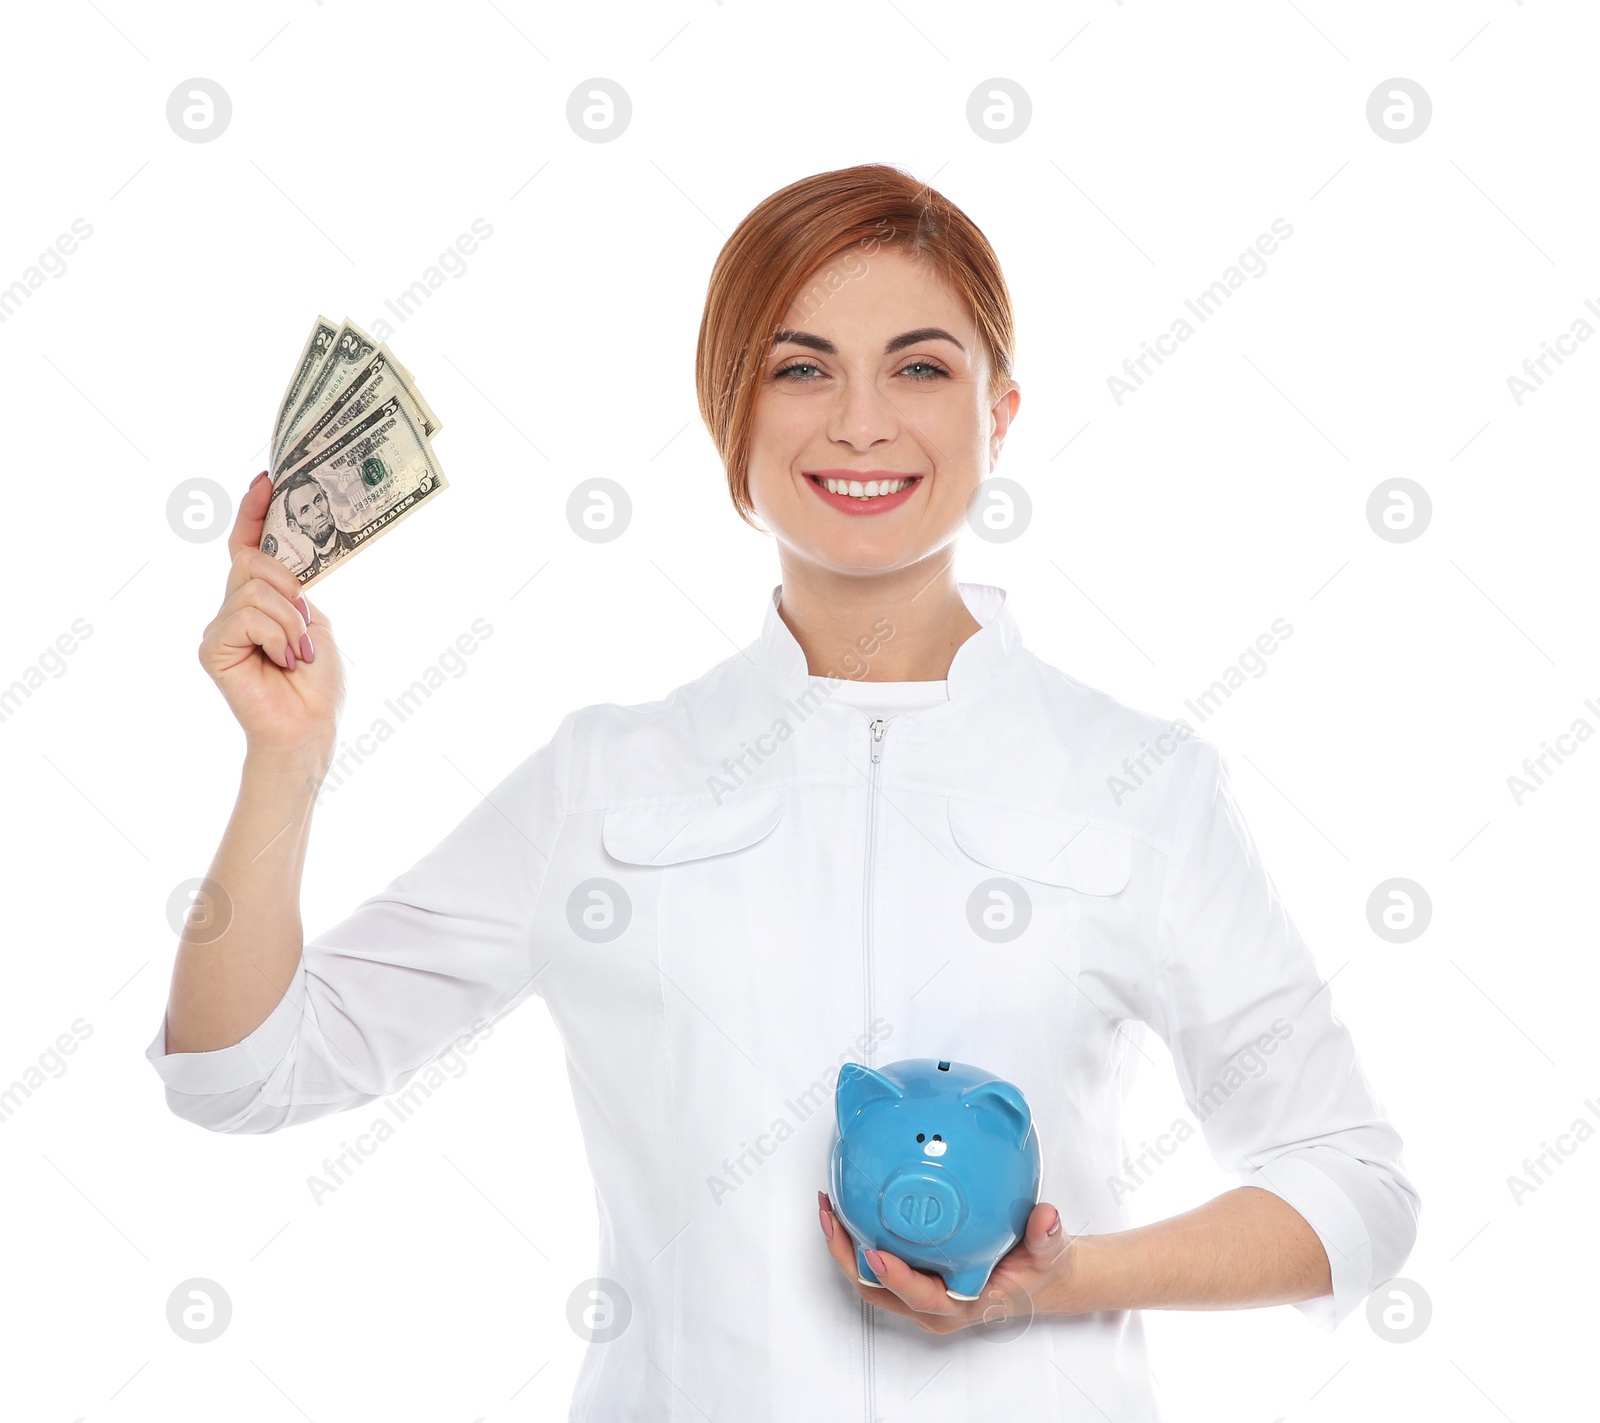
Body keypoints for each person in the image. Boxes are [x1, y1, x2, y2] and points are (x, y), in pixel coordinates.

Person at [146, 164, 1418, 1421]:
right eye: (800, 367)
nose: (861, 422)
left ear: (1001, 414)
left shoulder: (1140, 785)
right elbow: (239, 1073)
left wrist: (1063, 1279)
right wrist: (285, 763)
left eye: (920, 367)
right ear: (729, 419)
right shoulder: (603, 781)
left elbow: (1352, 1187)